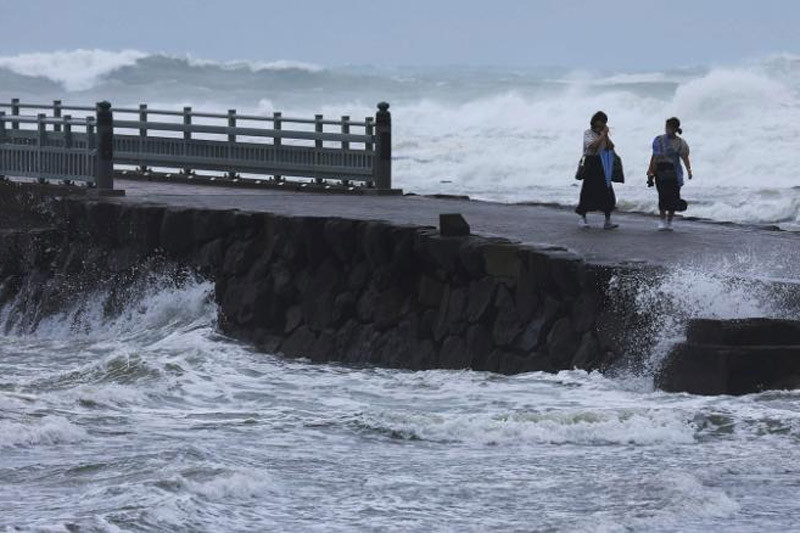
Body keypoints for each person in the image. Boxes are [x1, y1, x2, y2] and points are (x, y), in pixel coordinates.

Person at [647, 117, 692, 231]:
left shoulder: (681, 143)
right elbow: (654, 156)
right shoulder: (659, 139)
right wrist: (650, 170)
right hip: (660, 171)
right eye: (666, 127)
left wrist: (689, 170)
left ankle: (670, 221)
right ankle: (662, 221)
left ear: (675, 129)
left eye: (669, 127)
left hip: (674, 172)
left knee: (674, 197)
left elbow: (685, 157)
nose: (667, 129)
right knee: (663, 196)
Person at [576, 111, 619, 229]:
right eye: (601, 121)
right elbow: (592, 146)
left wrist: (605, 135)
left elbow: (610, 147)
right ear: (595, 121)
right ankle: (582, 218)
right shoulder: (588, 133)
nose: (603, 123)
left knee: (607, 191)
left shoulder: (603, 134)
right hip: (591, 162)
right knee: (588, 191)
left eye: (604, 121)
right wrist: (601, 136)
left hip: (602, 163)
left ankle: (607, 220)